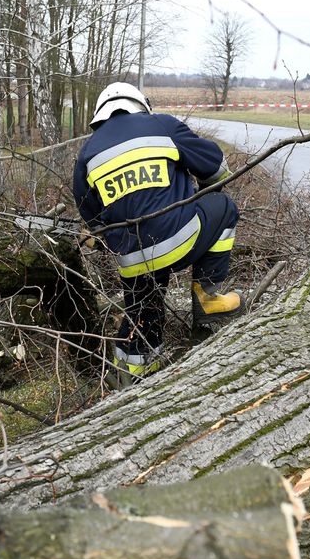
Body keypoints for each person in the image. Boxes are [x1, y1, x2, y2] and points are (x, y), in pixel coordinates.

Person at [73, 82, 242, 387]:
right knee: (224, 205)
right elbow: (218, 170)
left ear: (100, 116)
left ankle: (131, 375)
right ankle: (207, 297)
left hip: (133, 259)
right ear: (140, 105)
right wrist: (197, 191)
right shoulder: (161, 124)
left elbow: (94, 221)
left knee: (142, 311)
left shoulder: (86, 155)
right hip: (182, 239)